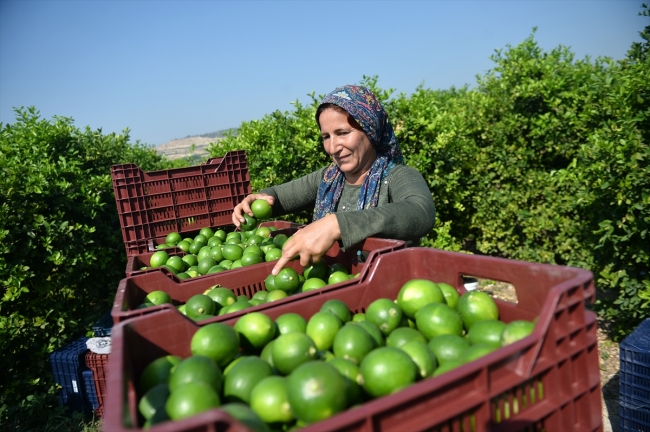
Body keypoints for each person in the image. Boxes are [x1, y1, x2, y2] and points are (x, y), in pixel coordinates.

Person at [232, 84, 435, 276]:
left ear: (370, 130)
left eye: (343, 133)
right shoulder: (329, 178)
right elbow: (278, 197)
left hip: (390, 286)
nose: (332, 147)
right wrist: (258, 199)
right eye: (326, 137)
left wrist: (337, 225)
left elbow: (420, 211)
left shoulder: (397, 176)